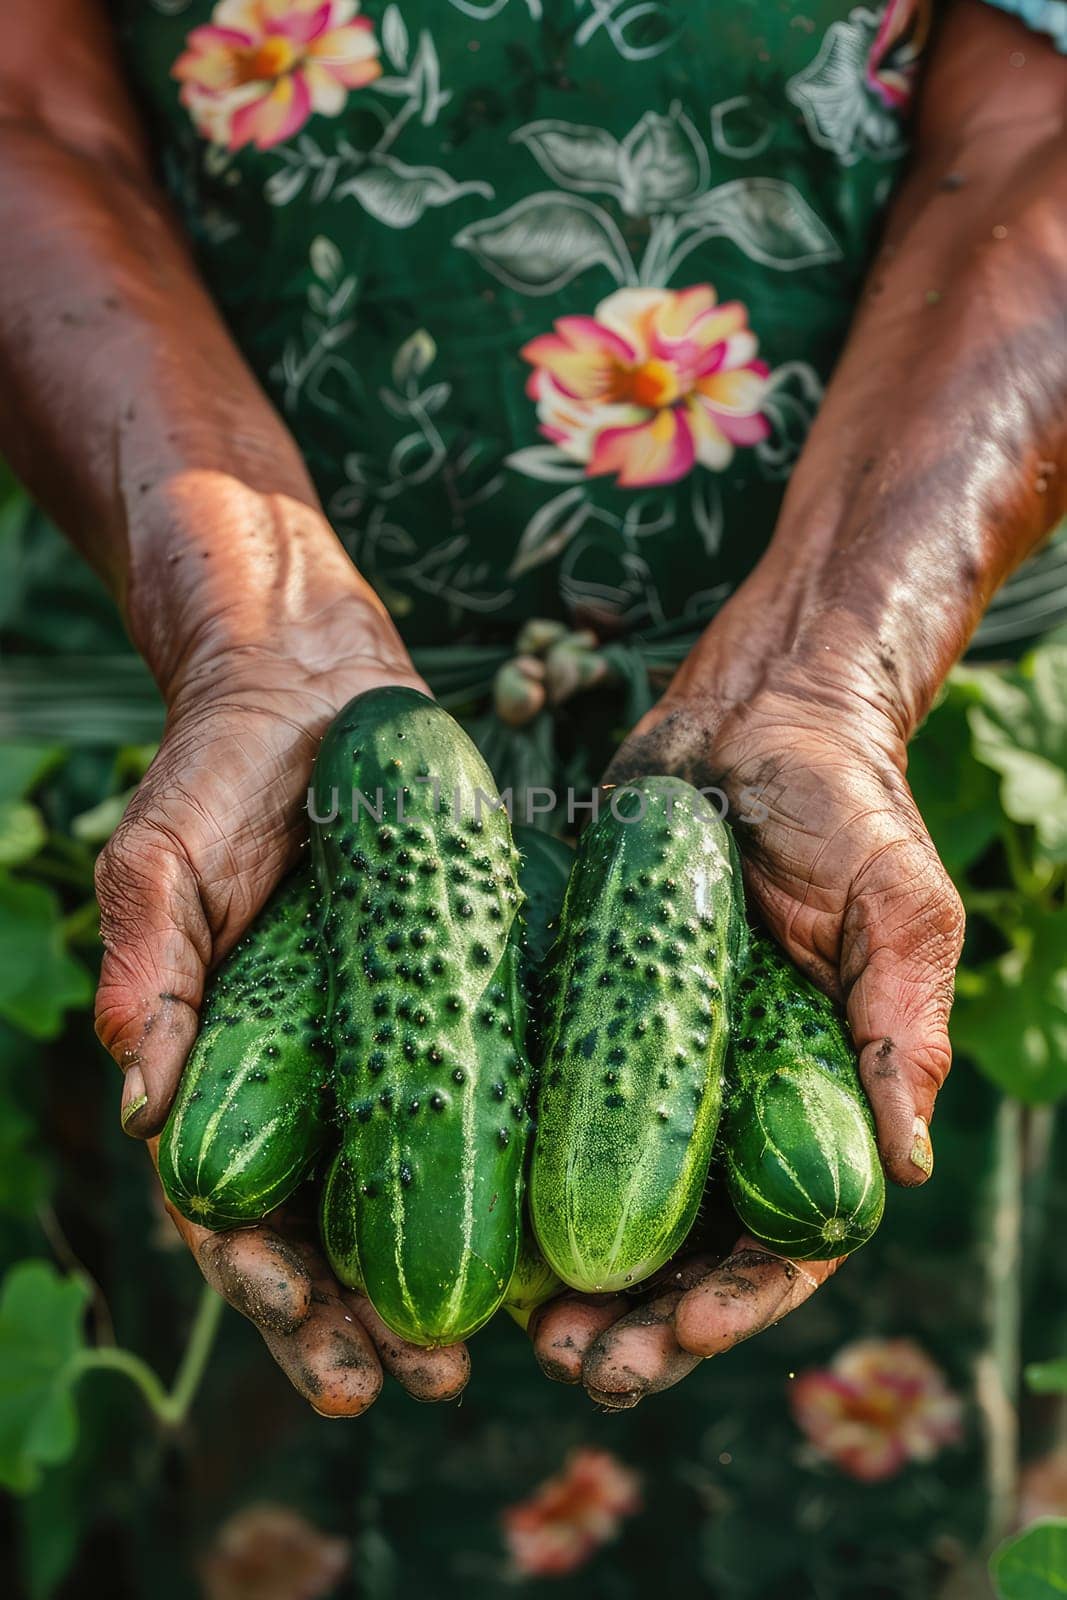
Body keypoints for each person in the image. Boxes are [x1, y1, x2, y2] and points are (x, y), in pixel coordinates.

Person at [0, 0, 1063, 1418]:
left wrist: (834, 664)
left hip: (894, 631)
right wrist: (246, 633)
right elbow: (24, 107)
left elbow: (1039, 127)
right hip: (202, 681)